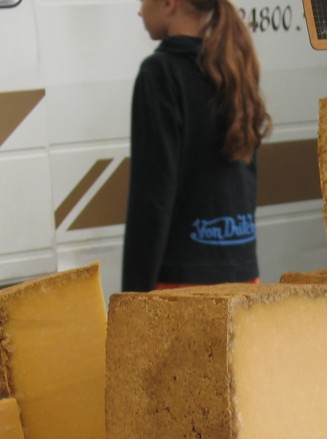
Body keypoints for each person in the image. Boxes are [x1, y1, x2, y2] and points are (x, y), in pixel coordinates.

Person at [123, 0, 271, 292]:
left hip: (181, 287)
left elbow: (152, 195)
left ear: (170, 3)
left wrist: (132, 297)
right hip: (243, 274)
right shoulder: (234, 65)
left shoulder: (160, 73)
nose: (139, 10)